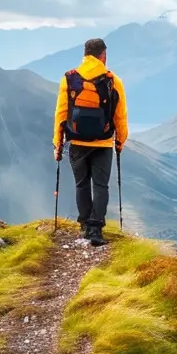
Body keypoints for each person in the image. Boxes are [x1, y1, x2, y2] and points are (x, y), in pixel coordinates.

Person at [53, 38, 128, 246]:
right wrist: (120, 141)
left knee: (81, 184)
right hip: (103, 143)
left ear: (85, 55)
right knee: (101, 186)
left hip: (76, 142)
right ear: (103, 56)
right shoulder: (114, 81)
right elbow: (120, 117)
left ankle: (85, 225)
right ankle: (96, 230)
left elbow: (61, 114)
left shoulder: (69, 79)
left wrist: (58, 145)